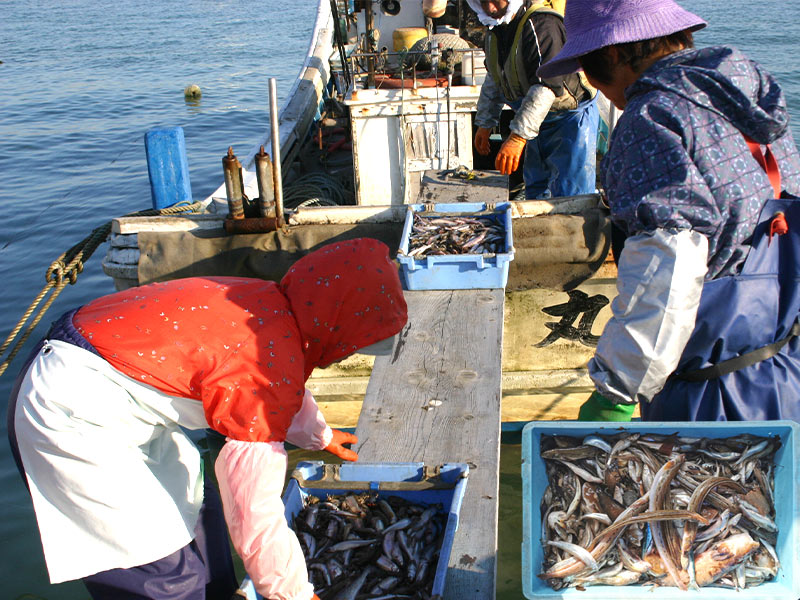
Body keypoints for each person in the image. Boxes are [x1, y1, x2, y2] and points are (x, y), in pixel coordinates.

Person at [8, 238, 408, 600]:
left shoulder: (272, 304)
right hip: (67, 411)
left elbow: (284, 383)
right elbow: (255, 510)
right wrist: (293, 595)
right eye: (355, 342)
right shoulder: (262, 361)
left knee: (200, 507)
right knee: (158, 569)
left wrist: (319, 437)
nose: (348, 354)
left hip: (111, 388)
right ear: (337, 324)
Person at [536, 0, 800, 422]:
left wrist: (616, 391)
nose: (591, 81)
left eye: (588, 63)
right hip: (783, 368)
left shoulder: (651, 120)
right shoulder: (746, 96)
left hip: (712, 396)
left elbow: (667, 271)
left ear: (616, 53)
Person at [467, 0, 599, 199]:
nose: (490, 8)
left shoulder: (541, 24)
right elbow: (495, 76)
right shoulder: (495, 30)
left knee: (571, 197)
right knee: (536, 191)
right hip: (536, 120)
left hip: (570, 121)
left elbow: (547, 86)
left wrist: (517, 138)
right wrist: (485, 122)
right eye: (483, 1)